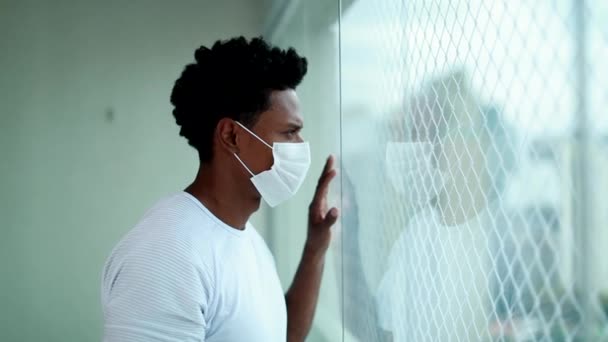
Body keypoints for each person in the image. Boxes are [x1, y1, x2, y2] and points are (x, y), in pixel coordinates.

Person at [101, 37, 339, 342]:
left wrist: (315, 249)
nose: (301, 147)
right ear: (231, 136)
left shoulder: (247, 240)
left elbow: (282, 335)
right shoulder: (166, 253)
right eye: (290, 132)